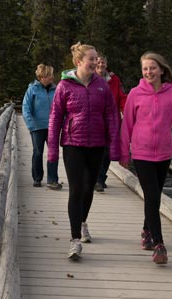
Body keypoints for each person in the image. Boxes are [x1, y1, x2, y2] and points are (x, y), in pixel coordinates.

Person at [119, 52, 172, 265]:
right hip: (141, 154)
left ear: (162, 70)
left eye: (152, 68)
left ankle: (146, 230)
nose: (148, 72)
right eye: (145, 69)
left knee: (154, 197)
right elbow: (126, 126)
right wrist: (124, 153)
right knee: (152, 196)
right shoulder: (135, 93)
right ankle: (159, 244)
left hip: (163, 154)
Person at [48, 43, 121, 260]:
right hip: (73, 144)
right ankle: (74, 240)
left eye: (97, 59)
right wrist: (52, 151)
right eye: (91, 59)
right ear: (79, 62)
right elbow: (54, 119)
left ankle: (82, 222)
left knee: (89, 189)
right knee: (76, 189)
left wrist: (114, 145)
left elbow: (111, 115)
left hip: (97, 144)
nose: (96, 62)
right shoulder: (64, 86)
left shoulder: (102, 86)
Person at [22, 64, 61, 189]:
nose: (52, 77)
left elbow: (62, 107)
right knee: (38, 153)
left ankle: (53, 179)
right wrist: (31, 125)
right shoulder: (32, 90)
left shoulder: (57, 89)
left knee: (53, 153)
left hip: (53, 127)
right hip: (37, 128)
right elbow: (26, 108)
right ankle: (37, 178)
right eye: (49, 75)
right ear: (42, 77)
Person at [94, 54, 127, 192]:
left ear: (106, 65)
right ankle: (97, 179)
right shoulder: (90, 78)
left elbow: (122, 98)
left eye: (103, 62)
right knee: (96, 152)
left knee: (107, 153)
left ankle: (100, 179)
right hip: (95, 122)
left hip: (111, 122)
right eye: (98, 62)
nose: (101, 64)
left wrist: (126, 113)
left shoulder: (114, 80)